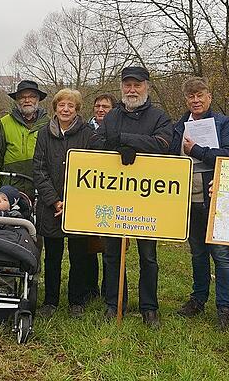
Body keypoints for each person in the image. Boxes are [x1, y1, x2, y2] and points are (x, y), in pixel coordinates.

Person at [89, 66, 173, 328]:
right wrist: (117, 147)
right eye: (127, 85)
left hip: (148, 200)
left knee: (148, 256)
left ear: (146, 86)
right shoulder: (112, 115)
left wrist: (126, 140)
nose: (132, 90)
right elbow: (96, 143)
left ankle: (150, 307)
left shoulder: (159, 116)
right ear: (122, 88)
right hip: (116, 197)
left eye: (137, 85)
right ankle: (114, 304)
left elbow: (163, 144)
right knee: (113, 254)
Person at [170, 76, 229, 331]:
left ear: (209, 96)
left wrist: (197, 150)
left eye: (200, 96)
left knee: (221, 255)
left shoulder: (223, 123)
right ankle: (198, 299)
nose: (196, 101)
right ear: (186, 100)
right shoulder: (179, 125)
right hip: (188, 200)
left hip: (216, 199)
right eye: (191, 97)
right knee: (197, 252)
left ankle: (224, 307)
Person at [33, 89, 94, 318]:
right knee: (52, 256)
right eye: (62, 105)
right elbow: (39, 170)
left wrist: (74, 202)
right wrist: (55, 201)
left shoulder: (88, 134)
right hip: (51, 207)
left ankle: (76, 302)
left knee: (79, 256)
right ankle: (50, 301)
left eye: (71, 106)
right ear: (55, 108)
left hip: (79, 206)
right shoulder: (43, 134)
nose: (66, 109)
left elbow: (95, 169)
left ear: (77, 109)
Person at [85, 93, 116, 301]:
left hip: (114, 192)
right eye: (97, 106)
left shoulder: (119, 128)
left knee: (111, 246)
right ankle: (90, 289)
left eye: (105, 106)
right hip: (89, 192)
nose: (101, 109)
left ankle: (110, 288)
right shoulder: (85, 129)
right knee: (89, 245)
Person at [0, 79, 50, 197]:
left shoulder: (49, 124)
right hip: (12, 187)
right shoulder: (4, 122)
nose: (27, 100)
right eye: (22, 97)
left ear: (38, 99)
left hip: (41, 187)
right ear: (17, 100)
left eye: (32, 96)